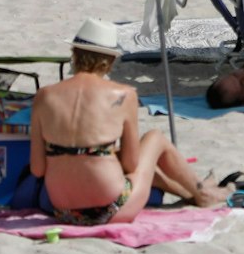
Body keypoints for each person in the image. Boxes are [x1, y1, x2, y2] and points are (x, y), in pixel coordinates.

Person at [30, 19, 228, 226]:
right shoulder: (123, 95)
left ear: (75, 53)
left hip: (64, 211)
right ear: (110, 61)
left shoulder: (44, 96)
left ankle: (195, 193)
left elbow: (38, 169)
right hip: (113, 207)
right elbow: (131, 164)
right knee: (154, 139)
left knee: (103, 155)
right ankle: (202, 193)